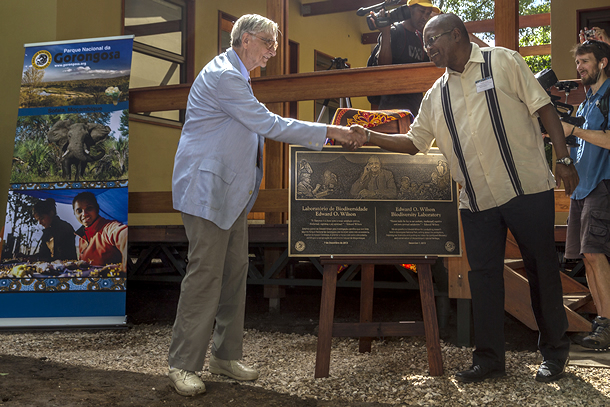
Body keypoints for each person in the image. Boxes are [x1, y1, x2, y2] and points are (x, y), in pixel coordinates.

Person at [354, 13, 580, 383]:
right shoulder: (435, 95)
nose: (427, 48)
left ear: (457, 35)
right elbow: (413, 142)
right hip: (476, 202)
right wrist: (367, 136)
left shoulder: (502, 61)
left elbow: (543, 108)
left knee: (542, 271)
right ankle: (489, 360)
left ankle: (554, 353)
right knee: (484, 280)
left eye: (433, 40)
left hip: (526, 189)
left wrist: (564, 159)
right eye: (425, 43)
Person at [168, 14, 364, 397]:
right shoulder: (226, 76)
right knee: (204, 277)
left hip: (232, 194)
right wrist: (330, 132)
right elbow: (268, 123)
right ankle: (182, 364)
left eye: (275, 44)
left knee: (234, 274)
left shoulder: (237, 74)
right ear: (243, 39)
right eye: (268, 42)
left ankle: (225, 355)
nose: (273, 51)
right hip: (208, 193)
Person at [561, 39, 610, 350]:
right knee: (587, 259)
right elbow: (575, 146)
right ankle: (601, 325)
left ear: (602, 63)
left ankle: (606, 326)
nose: (580, 68)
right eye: (578, 63)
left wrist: (574, 130)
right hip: (581, 186)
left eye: (586, 62)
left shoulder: (608, 96)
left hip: (602, 184)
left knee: (595, 254)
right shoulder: (585, 102)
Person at [368, 0, 440, 115]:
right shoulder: (394, 31)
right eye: (422, 11)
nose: (425, 17)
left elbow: (428, 75)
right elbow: (383, 68)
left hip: (416, 110)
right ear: (409, 9)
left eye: (428, 13)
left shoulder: (422, 40)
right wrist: (386, 33)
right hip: (391, 110)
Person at [72, 192, 128, 271]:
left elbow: (124, 234)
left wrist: (122, 268)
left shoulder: (107, 227)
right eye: (79, 211)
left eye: (89, 208)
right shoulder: (81, 237)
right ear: (74, 213)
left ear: (97, 209)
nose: (84, 214)